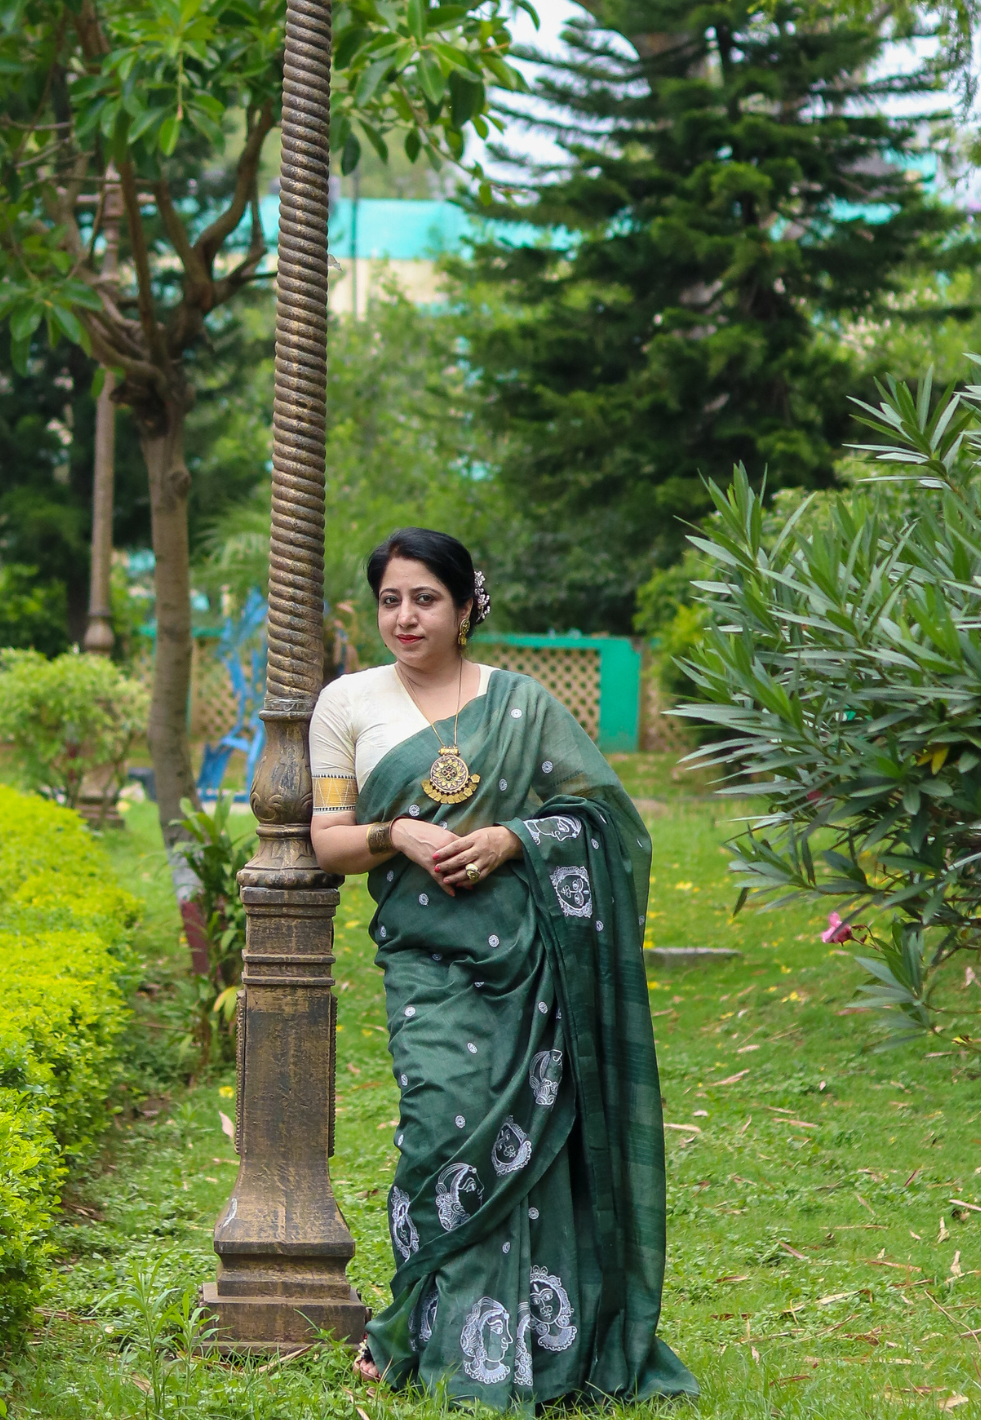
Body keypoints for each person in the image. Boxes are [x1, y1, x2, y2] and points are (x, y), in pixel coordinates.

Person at [309, 527, 694, 1408]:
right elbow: (328, 843)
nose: (405, 617)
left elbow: (604, 819)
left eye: (425, 599)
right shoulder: (348, 705)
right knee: (437, 1130)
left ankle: (524, 1345)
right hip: (424, 964)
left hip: (527, 963)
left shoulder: (520, 702)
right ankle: (424, 1322)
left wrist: (512, 838)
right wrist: (395, 832)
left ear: (465, 606)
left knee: (531, 1154)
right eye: (390, 600)